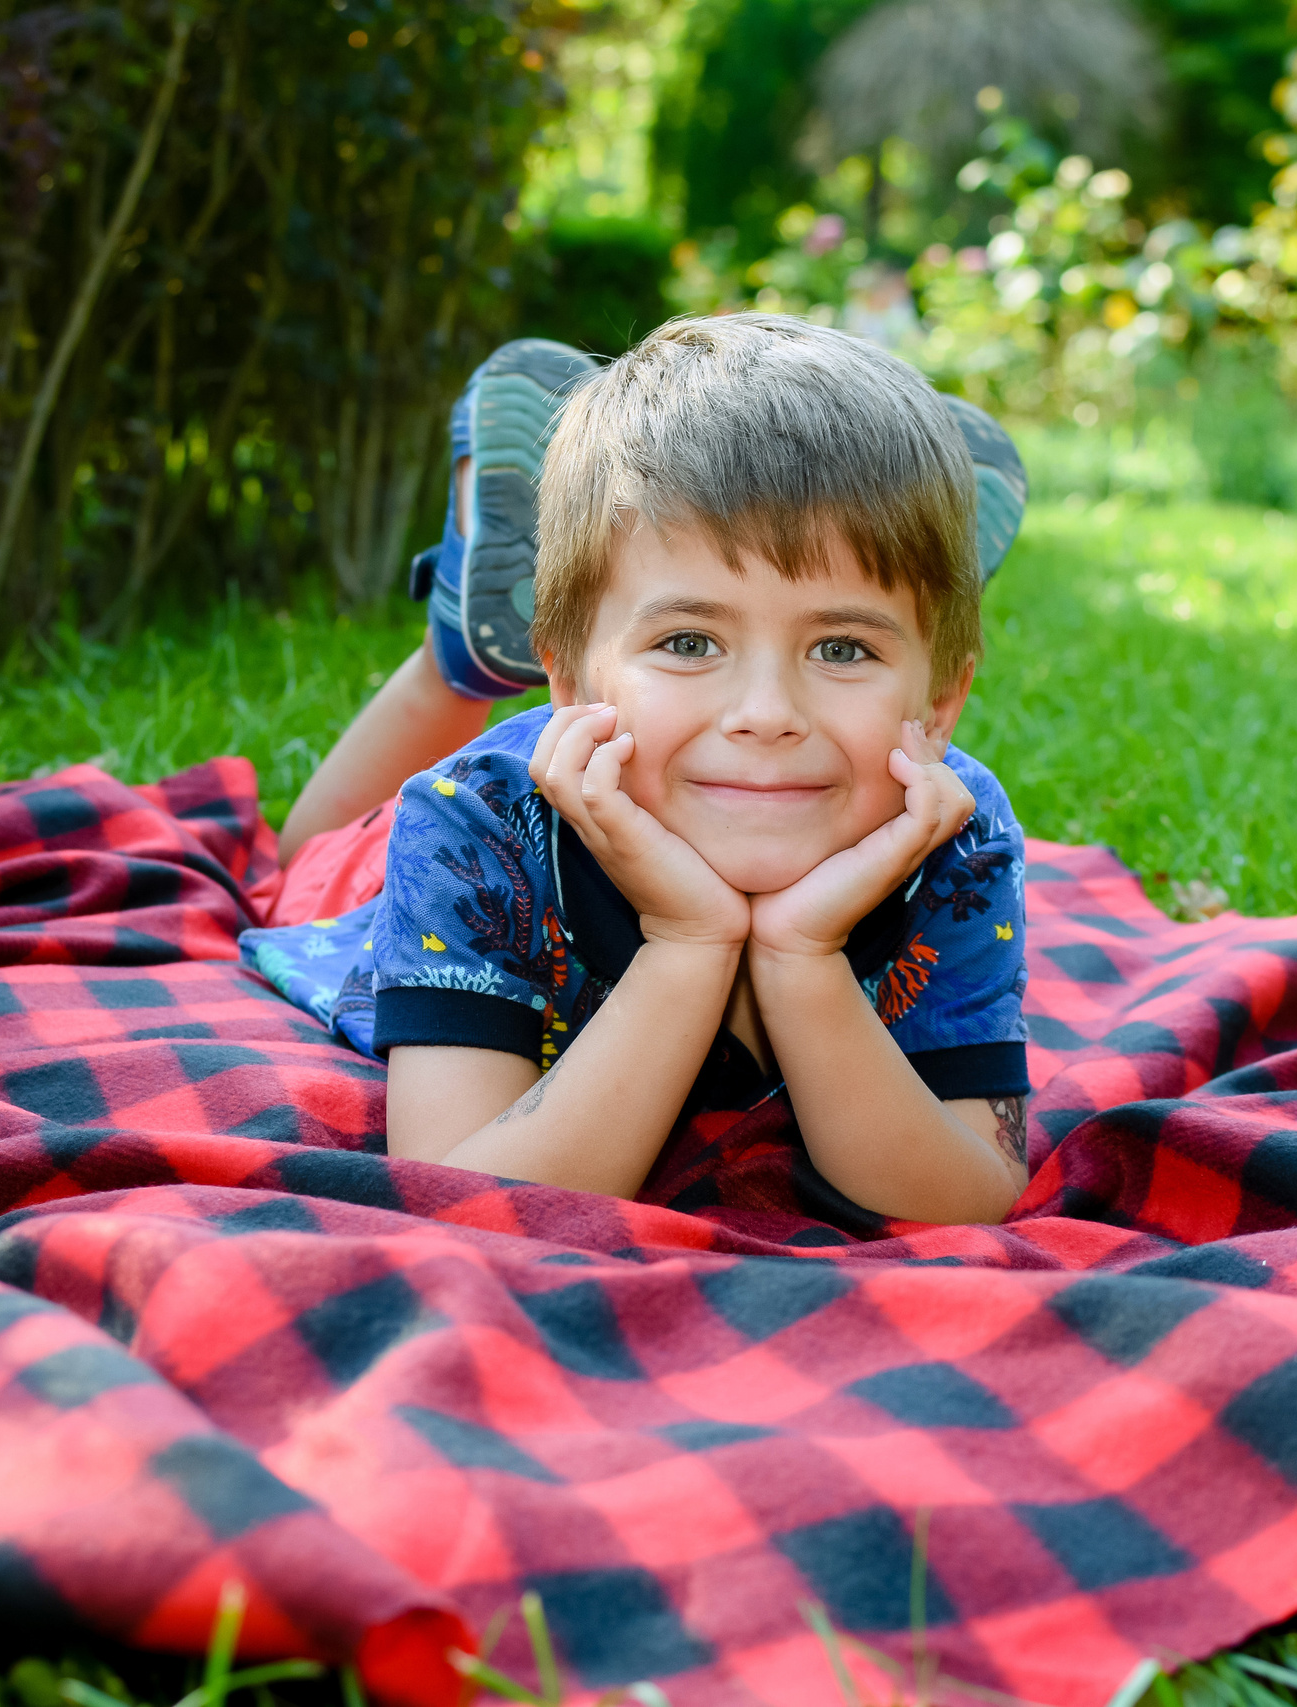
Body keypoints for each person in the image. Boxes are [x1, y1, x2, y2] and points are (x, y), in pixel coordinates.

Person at [242, 315, 1034, 1225]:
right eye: (690, 640)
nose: (768, 715)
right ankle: (461, 653)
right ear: (573, 681)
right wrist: (689, 944)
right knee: (295, 862)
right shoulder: (474, 824)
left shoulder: (955, 834)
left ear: (940, 704)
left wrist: (800, 958)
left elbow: (968, 1196)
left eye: (844, 646)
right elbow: (463, 1201)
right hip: (373, 888)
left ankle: (889, 547)